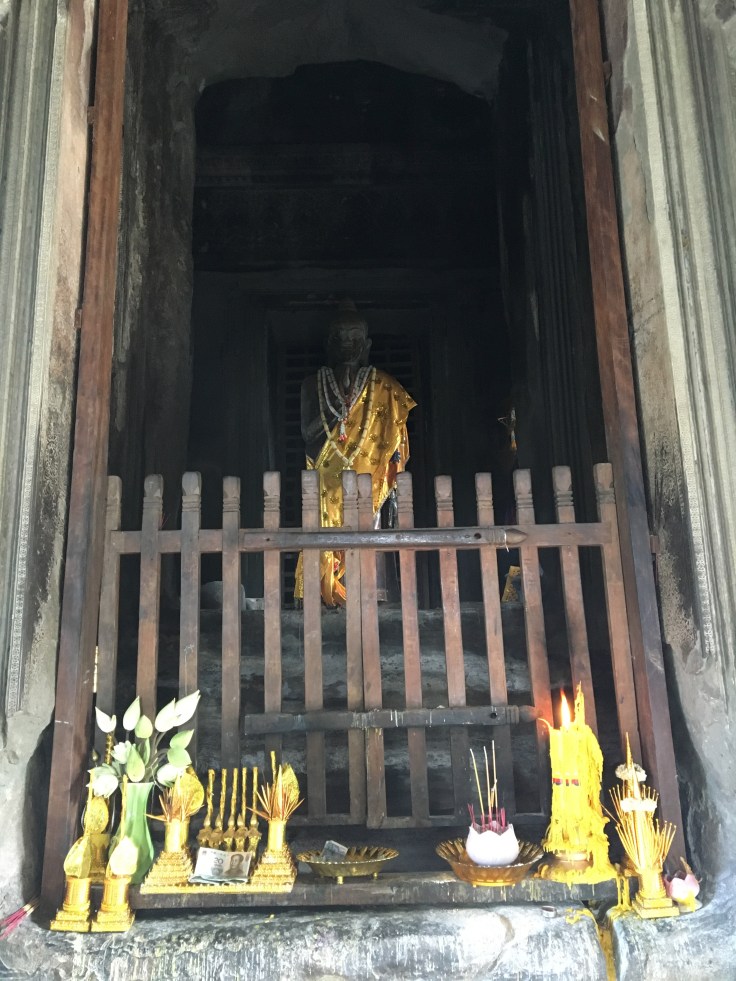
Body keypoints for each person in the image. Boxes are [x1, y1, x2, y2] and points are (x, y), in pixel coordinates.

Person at [295, 300, 416, 606]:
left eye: (354, 338)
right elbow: (308, 436)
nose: (347, 345)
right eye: (340, 338)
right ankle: (326, 597)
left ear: (366, 345)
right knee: (323, 535)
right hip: (328, 479)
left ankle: (375, 596)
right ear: (328, 344)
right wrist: (341, 409)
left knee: (371, 535)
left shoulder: (386, 388)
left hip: (370, 481)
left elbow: (395, 445)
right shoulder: (312, 385)